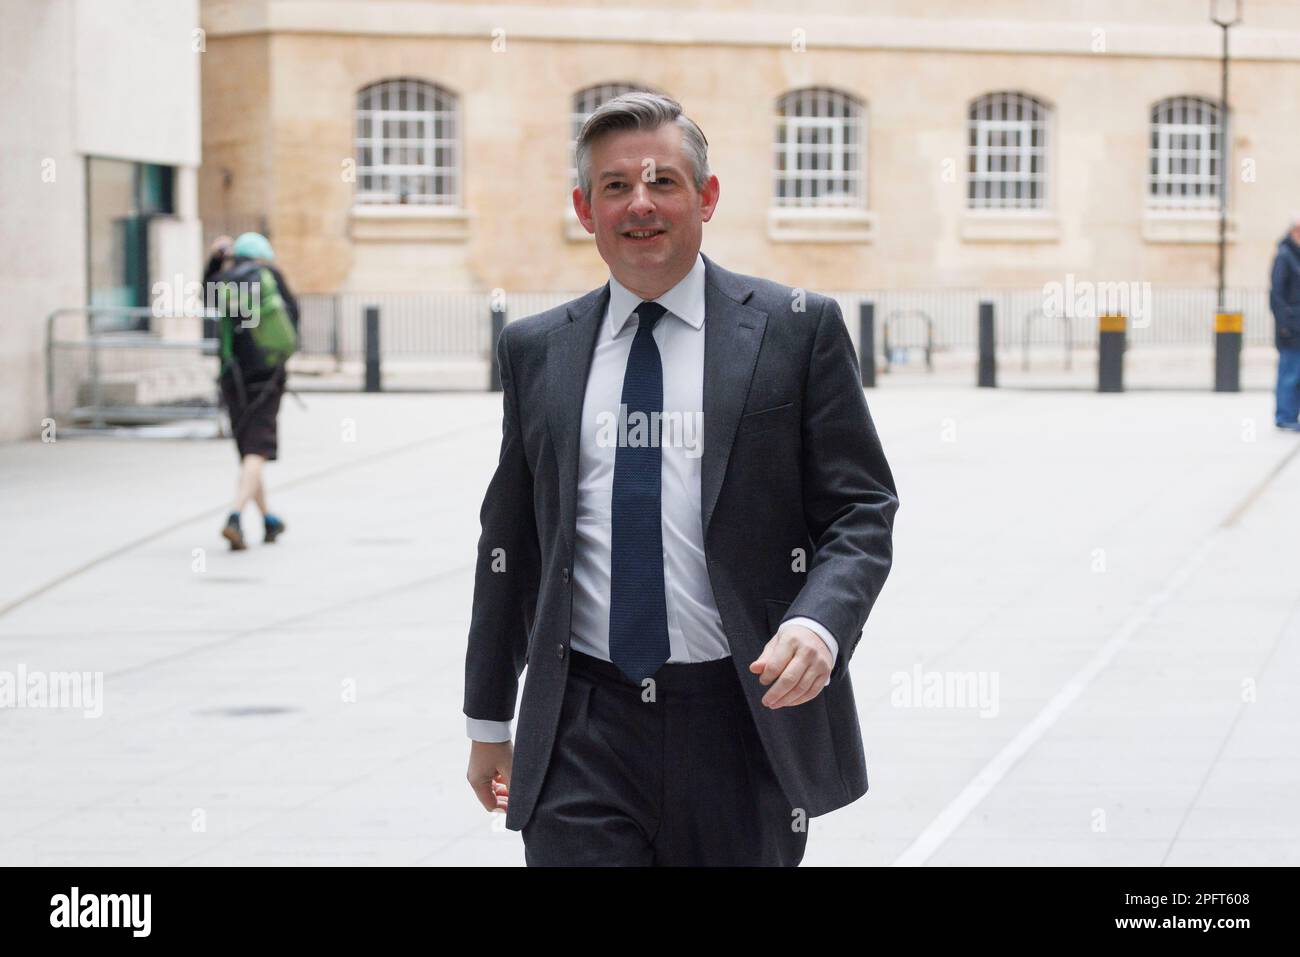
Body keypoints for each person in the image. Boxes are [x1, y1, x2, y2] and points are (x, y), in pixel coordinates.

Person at [462, 92, 899, 865]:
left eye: (664, 182)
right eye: (615, 185)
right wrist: (489, 722)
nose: (641, 204)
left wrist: (818, 622)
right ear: (583, 207)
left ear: (707, 197)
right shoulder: (538, 351)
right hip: (581, 725)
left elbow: (861, 509)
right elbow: (512, 544)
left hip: (740, 720)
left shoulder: (795, 330)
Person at [213, 231, 299, 549]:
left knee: (249, 451)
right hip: (267, 376)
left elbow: (205, 296)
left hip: (232, 377)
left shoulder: (226, 279)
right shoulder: (270, 277)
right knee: (257, 450)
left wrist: (217, 258)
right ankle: (234, 516)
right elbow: (294, 319)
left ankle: (268, 519)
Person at [1269, 215, 1300, 431]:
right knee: (1289, 374)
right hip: (1291, 329)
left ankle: (1291, 415)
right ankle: (1285, 416)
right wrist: (1285, 324)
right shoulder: (1284, 256)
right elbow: (1277, 295)